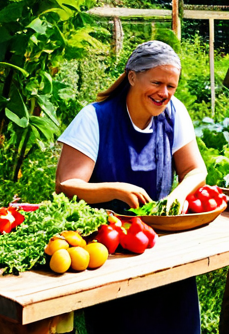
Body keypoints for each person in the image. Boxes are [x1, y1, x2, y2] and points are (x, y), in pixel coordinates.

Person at [56, 40, 206, 334]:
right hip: (110, 249)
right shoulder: (95, 118)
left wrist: (178, 195)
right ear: (133, 76)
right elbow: (66, 185)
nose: (164, 93)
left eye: (171, 86)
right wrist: (115, 189)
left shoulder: (175, 113)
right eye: (158, 82)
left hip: (161, 240)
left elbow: (195, 170)